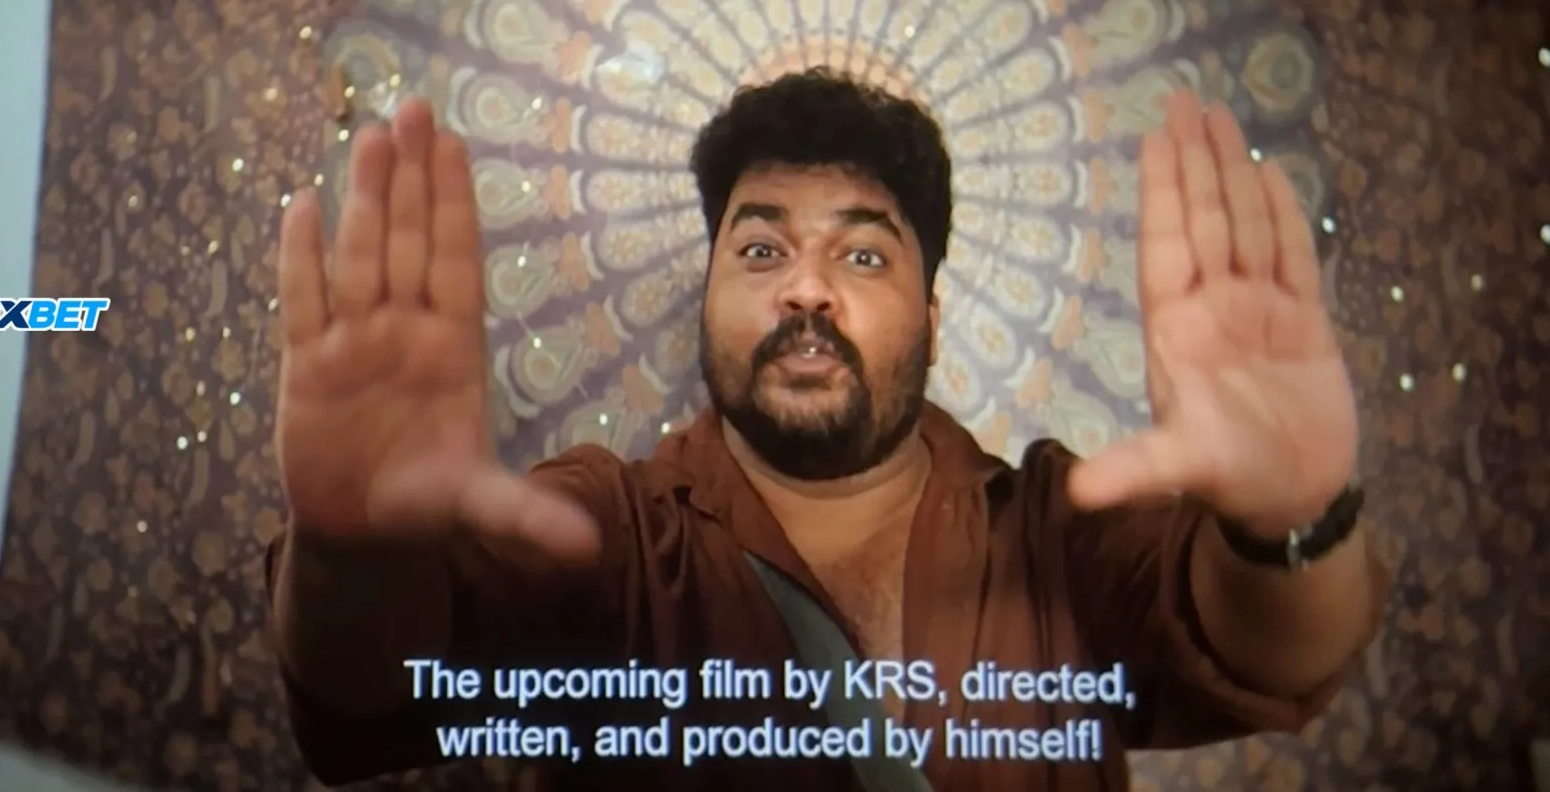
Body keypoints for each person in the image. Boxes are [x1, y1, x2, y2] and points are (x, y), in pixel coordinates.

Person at [265, 68, 1389, 792]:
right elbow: (369, 695)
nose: (806, 288)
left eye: (861, 254)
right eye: (761, 249)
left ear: (932, 316)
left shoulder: (1055, 529)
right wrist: (356, 551)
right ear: (707, 292)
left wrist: (1295, 515)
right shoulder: (611, 531)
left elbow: (1273, 651)